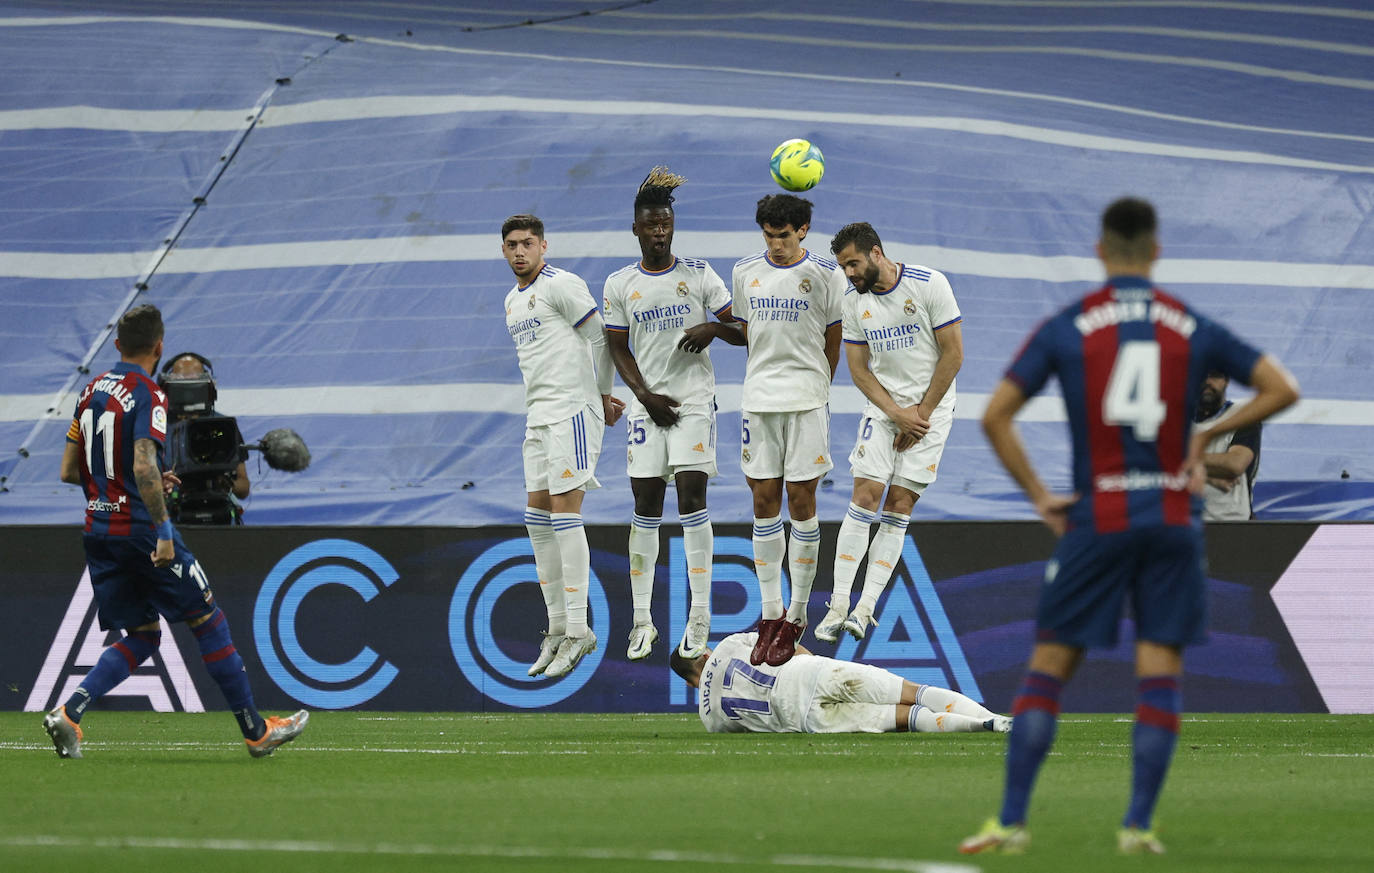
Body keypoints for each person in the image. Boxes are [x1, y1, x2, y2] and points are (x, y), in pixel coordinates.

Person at [961, 198, 1299, 856]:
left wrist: (1040, 496)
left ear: (1099, 252)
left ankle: (1009, 821)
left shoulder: (1070, 324)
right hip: (1172, 517)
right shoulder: (1188, 323)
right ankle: (1137, 826)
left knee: (1048, 671)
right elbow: (1282, 388)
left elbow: (996, 416)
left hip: (1101, 514)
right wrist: (1204, 434)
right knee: (1159, 674)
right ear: (1157, 252)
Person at [47, 303, 308, 759]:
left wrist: (132, 483)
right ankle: (256, 732)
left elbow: (71, 471)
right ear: (159, 346)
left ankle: (69, 713)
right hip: (142, 530)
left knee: (145, 636)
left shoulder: (89, 391)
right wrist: (164, 528)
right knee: (208, 620)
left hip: (99, 528)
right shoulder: (149, 393)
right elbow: (145, 461)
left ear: (117, 345)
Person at [603, 168, 745, 661]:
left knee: (691, 495)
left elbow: (743, 330)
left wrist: (712, 329)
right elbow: (618, 348)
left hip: (693, 401)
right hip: (649, 406)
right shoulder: (620, 284)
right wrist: (643, 396)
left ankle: (700, 615)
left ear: (672, 225)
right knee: (645, 504)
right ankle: (642, 620)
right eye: (651, 224)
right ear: (636, 230)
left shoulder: (700, 275)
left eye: (666, 223)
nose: (660, 231)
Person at [815, 222, 964, 644]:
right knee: (864, 495)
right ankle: (838, 605)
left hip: (932, 411)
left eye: (854, 264)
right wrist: (896, 413)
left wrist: (920, 414)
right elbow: (859, 370)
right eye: (843, 267)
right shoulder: (852, 301)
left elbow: (953, 355)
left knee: (899, 505)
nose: (849, 274)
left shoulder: (929, 284)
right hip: (885, 410)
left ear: (876, 254)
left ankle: (864, 611)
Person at [503, 214, 626, 679]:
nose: (520, 252)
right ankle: (557, 626)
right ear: (504, 251)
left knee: (563, 512)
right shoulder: (512, 301)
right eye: (512, 244)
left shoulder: (562, 284)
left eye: (527, 243)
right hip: (538, 415)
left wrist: (601, 397)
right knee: (536, 518)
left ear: (543, 246)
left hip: (573, 410)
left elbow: (602, 338)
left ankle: (579, 628)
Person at [731, 193, 847, 668]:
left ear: (803, 230)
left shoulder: (825, 274)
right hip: (759, 399)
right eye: (768, 234)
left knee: (801, 500)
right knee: (763, 502)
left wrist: (819, 388)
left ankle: (797, 612)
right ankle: (770, 613)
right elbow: (747, 333)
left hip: (806, 402)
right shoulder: (744, 273)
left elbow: (834, 340)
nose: (775, 244)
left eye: (784, 234)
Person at [671, 631, 1010, 735]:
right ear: (702, 653)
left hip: (803, 720)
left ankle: (984, 726)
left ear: (689, 684)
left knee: (900, 718)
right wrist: (813, 662)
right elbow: (782, 646)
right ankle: (992, 721)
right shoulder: (728, 645)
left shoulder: (709, 718)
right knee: (912, 692)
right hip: (809, 674)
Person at [159, 352, 251, 523]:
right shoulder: (157, 427)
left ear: (209, 389)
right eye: (181, 384)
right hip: (169, 518)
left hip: (218, 512)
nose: (188, 393)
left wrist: (226, 484)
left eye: (194, 384)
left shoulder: (224, 426)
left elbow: (243, 488)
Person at [1195, 370, 1262, 520]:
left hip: (1231, 525)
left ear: (1226, 381)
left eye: (1215, 375)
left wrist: (1180, 460)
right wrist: (1211, 477)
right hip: (1186, 525)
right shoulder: (1175, 419)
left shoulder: (1244, 416)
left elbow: (1235, 464)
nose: (1208, 382)